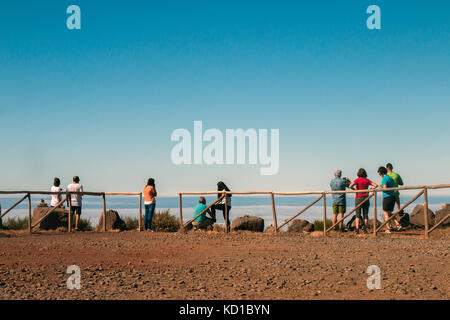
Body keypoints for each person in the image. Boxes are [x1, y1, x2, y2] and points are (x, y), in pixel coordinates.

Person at [349, 168, 378, 234]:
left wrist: (354, 190)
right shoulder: (367, 180)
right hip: (366, 198)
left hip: (358, 197)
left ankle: (357, 229)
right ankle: (364, 228)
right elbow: (376, 185)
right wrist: (371, 188)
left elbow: (350, 185)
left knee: (357, 214)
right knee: (365, 214)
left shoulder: (357, 180)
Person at [377, 166, 401, 233]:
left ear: (381, 173)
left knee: (386, 213)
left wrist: (379, 187)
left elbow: (385, 188)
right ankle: (397, 224)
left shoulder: (384, 178)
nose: (379, 175)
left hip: (387, 197)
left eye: (379, 173)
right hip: (393, 197)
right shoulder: (390, 178)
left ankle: (388, 229)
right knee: (389, 213)